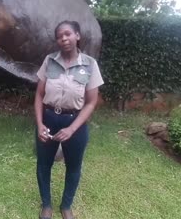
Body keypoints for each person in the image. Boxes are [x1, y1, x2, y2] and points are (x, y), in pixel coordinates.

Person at [34, 20, 104, 219]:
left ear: (77, 36)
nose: (63, 38)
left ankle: (66, 206)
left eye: (67, 34)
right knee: (43, 164)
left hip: (75, 123)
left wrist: (72, 129)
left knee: (73, 166)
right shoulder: (49, 61)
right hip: (48, 118)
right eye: (59, 36)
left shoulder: (90, 64)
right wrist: (39, 124)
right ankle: (46, 204)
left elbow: (91, 102)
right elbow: (39, 95)